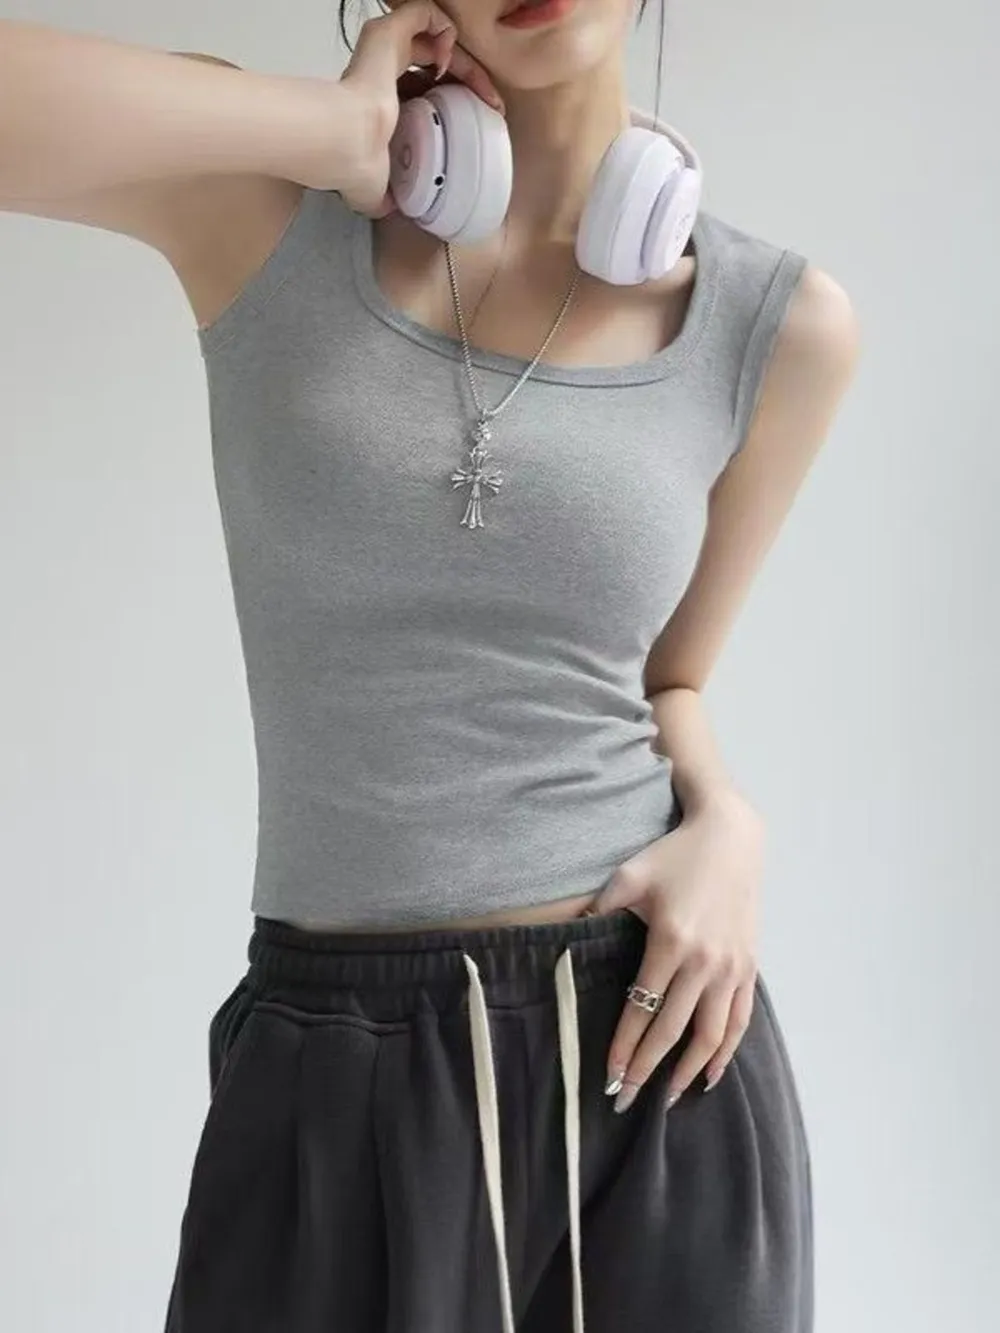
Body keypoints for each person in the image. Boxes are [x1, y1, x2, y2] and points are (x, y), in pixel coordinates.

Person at [1, 2, 860, 1330]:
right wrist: (326, 126)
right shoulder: (261, 214)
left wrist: (730, 823)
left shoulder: (779, 325)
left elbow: (671, 681)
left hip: (651, 1056)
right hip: (332, 1058)